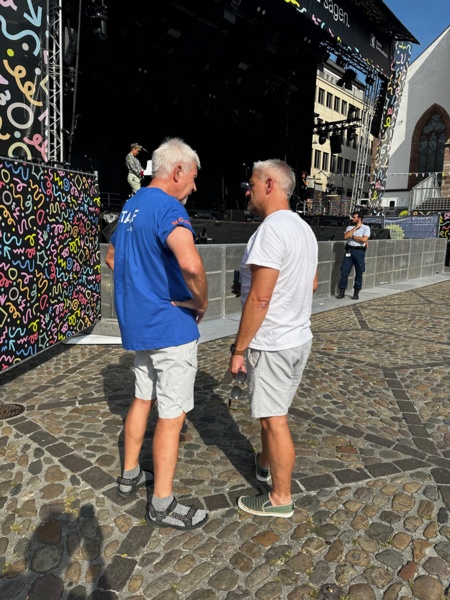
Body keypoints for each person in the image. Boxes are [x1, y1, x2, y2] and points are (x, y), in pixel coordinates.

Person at [105, 137, 209, 530]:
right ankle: (162, 504)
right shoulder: (169, 207)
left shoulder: (131, 206)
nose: (193, 187)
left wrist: (142, 288)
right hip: (170, 329)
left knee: (141, 399)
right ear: (177, 170)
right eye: (193, 178)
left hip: (140, 327)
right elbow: (192, 266)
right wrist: (200, 302)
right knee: (171, 415)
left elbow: (112, 255)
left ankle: (129, 474)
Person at [228, 159, 318, 518]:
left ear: (269, 185)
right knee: (274, 412)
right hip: (297, 337)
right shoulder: (303, 229)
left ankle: (280, 498)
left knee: (273, 420)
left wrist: (239, 349)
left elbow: (260, 299)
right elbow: (311, 284)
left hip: (273, 342)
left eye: (252, 184)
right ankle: (264, 463)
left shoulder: (270, 230)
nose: (247, 192)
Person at [336, 211, 371, 300]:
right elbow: (345, 236)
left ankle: (356, 292)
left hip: (359, 252)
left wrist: (352, 237)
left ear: (359, 218)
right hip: (349, 251)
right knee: (344, 272)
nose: (352, 219)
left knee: (359, 272)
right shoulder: (350, 227)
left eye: (354, 217)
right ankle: (342, 292)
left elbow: (364, 240)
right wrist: (355, 228)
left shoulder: (366, 228)